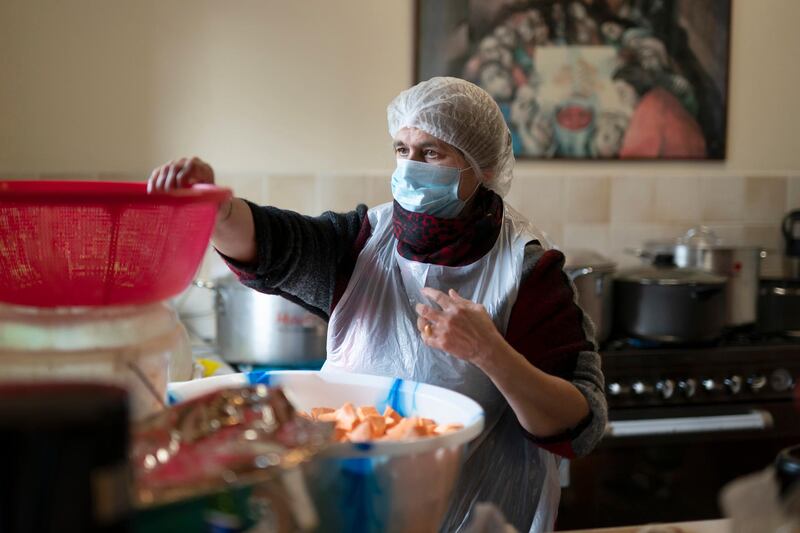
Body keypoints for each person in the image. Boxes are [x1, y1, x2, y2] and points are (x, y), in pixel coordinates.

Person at [149, 77, 607, 533]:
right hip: (350, 513)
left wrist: (491, 353)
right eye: (401, 150)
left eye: (431, 153)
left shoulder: (526, 270)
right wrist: (218, 212)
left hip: (475, 518)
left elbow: (577, 422)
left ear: (482, 167)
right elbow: (276, 244)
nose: (410, 167)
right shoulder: (364, 240)